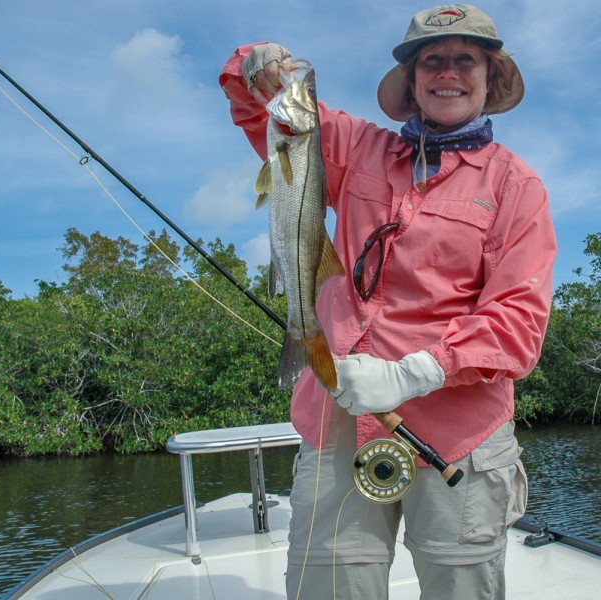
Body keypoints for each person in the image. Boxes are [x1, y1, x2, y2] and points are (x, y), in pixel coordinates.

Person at [219, 4, 556, 598]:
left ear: (490, 77)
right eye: (432, 59)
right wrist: (258, 64)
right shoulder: (353, 147)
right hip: (337, 421)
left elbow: (518, 321)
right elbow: (259, 108)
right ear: (410, 78)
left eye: (465, 60)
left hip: (462, 438)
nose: (447, 71)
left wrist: (416, 372)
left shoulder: (516, 186)